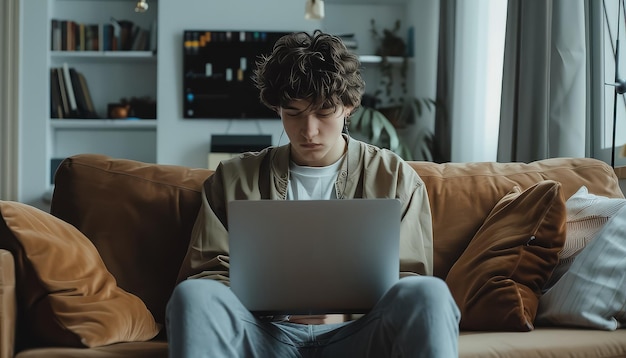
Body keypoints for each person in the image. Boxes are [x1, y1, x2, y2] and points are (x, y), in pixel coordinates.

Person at [166, 30, 460, 358]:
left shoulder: (394, 178)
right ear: (277, 108)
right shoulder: (233, 179)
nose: (309, 130)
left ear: (348, 106)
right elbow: (209, 271)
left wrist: (346, 312)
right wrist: (272, 307)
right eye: (293, 113)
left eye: (323, 112)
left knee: (430, 294)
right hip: (264, 333)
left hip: (358, 334)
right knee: (193, 297)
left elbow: (409, 279)